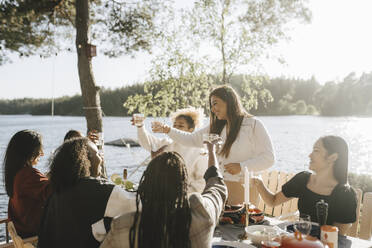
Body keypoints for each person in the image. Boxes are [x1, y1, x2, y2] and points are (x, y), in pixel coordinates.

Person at [152, 85, 275, 204]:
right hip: (219, 191)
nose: (212, 109)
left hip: (245, 190)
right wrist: (167, 129)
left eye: (215, 103)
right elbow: (190, 139)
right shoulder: (216, 127)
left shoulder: (253, 125)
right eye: (211, 105)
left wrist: (241, 167)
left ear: (229, 101)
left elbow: (269, 159)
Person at [99, 140, 227, 248]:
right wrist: (211, 151)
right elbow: (216, 184)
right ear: (183, 185)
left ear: (146, 185)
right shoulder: (201, 214)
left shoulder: (124, 225)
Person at [38, 137, 135, 248]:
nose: (101, 159)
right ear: (86, 160)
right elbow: (140, 205)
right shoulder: (101, 191)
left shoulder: (56, 195)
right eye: (98, 154)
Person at [252, 135, 357, 235]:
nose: (310, 155)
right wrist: (259, 183)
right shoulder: (302, 179)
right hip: (300, 240)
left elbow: (337, 237)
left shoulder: (345, 195)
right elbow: (273, 201)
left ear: (332, 157)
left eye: (316, 151)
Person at [132, 107, 208, 193]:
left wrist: (184, 196)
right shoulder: (167, 144)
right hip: (161, 194)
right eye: (174, 125)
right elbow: (147, 142)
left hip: (184, 198)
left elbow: (201, 181)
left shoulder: (199, 151)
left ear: (191, 130)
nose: (176, 128)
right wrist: (140, 126)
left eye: (181, 126)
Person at [3, 130, 53, 238]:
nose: (42, 153)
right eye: (39, 150)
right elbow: (54, 192)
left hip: (26, 234)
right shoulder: (28, 175)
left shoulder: (16, 174)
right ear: (29, 152)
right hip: (38, 236)